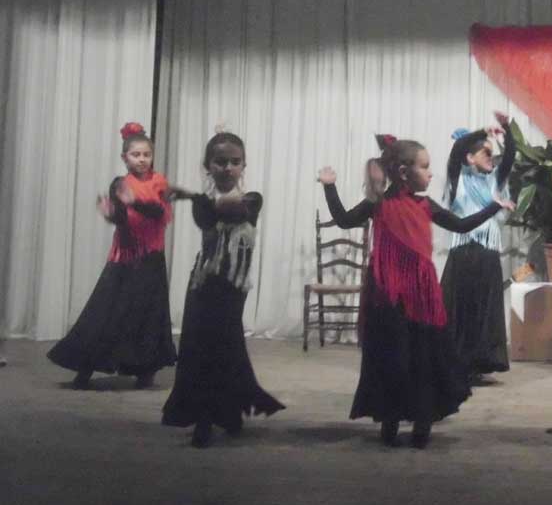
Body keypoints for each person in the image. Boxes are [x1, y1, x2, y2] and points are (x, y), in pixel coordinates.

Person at [319, 134, 511, 448]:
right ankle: (390, 418)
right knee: (392, 357)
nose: (431, 174)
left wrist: (493, 207)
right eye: (425, 167)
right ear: (404, 172)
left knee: (424, 358)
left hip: (421, 295)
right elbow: (343, 220)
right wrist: (330, 187)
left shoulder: (426, 205)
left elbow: (461, 226)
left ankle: (423, 420)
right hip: (388, 294)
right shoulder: (378, 204)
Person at [162, 131, 284, 447]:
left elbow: (236, 209)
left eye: (234, 161)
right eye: (220, 161)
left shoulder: (253, 198)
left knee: (223, 347)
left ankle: (224, 412)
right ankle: (208, 417)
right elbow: (209, 216)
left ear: (244, 165)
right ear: (208, 166)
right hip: (203, 282)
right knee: (198, 347)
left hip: (232, 287)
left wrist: (190, 194)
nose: (228, 167)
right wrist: (194, 198)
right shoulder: (201, 205)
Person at [48, 123, 177, 389]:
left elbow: (159, 213)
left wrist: (134, 202)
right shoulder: (120, 184)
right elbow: (121, 218)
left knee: (148, 313)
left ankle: (145, 370)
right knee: (106, 310)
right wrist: (111, 214)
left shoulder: (159, 182)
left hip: (151, 256)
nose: (142, 159)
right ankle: (85, 369)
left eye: (146, 154)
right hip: (124, 257)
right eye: (136, 154)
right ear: (124, 157)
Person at [440, 113, 514, 380]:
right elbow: (456, 152)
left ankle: (481, 365)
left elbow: (510, 157)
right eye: (486, 152)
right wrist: (482, 131)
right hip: (462, 253)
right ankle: (455, 363)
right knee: (458, 309)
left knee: (486, 310)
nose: (492, 158)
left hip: (487, 254)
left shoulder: (495, 181)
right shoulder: (456, 180)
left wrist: (507, 129)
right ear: (470, 158)